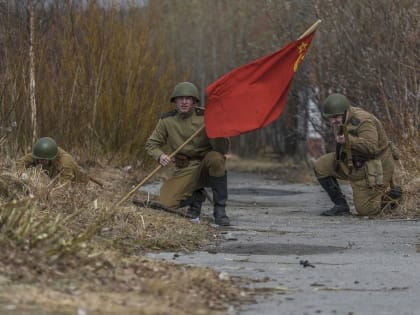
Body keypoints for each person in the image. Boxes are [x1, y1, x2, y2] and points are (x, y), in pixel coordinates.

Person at [144, 82, 231, 226]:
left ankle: (220, 210)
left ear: (194, 101)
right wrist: (160, 155)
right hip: (185, 169)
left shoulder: (207, 117)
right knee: (166, 203)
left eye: (188, 98)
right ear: (175, 101)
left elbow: (221, 150)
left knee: (216, 158)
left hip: (207, 166)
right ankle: (196, 196)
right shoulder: (167, 121)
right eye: (180, 98)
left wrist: (217, 131)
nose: (184, 102)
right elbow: (151, 144)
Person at [313, 93, 401, 216]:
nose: (333, 121)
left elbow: (371, 148)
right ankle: (340, 205)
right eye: (330, 118)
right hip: (353, 162)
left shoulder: (364, 121)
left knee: (366, 211)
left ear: (346, 111)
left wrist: (349, 140)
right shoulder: (341, 121)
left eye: (336, 117)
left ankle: (390, 198)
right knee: (321, 165)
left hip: (374, 166)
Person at [16, 137, 88, 183]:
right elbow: (21, 161)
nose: (40, 162)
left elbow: (65, 185)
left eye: (43, 160)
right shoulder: (41, 154)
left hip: (77, 183)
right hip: (56, 179)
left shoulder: (65, 163)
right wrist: (22, 174)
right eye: (39, 159)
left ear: (52, 158)